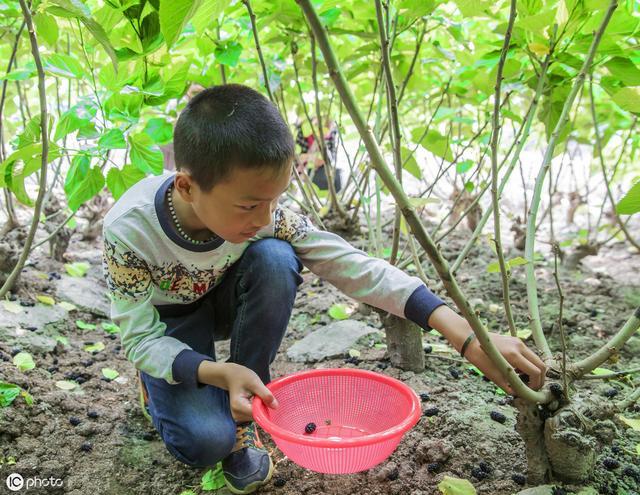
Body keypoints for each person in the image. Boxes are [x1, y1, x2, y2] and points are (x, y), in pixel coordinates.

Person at [102, 84, 546, 494]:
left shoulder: (264, 218)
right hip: (168, 323)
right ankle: (177, 388)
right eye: (250, 205)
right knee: (203, 443)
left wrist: (464, 335)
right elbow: (139, 337)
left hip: (221, 298)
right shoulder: (131, 230)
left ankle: (248, 402)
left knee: (276, 256)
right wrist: (215, 373)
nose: (264, 218)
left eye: (274, 201)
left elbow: (351, 264)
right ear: (186, 185)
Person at [294, 117, 342, 192]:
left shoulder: (332, 133)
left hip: (317, 172)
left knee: (337, 180)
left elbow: (330, 159)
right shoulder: (303, 131)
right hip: (300, 171)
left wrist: (321, 147)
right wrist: (312, 158)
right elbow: (297, 157)